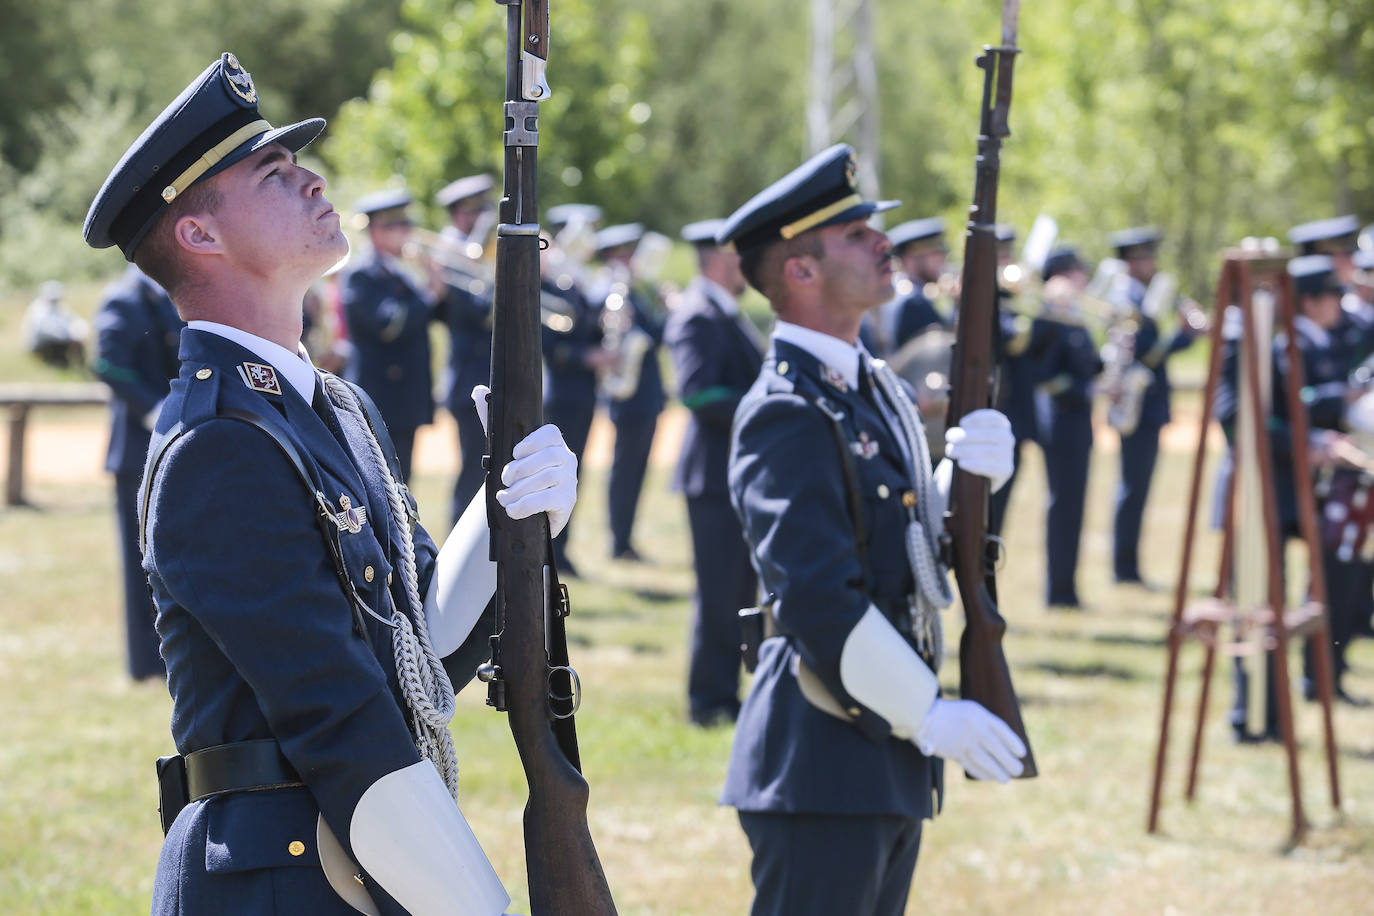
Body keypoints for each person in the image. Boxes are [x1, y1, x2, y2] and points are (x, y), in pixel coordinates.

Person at [82, 52, 580, 914]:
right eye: (274, 172)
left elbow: (417, 650)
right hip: (277, 884)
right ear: (200, 235)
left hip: (353, 861)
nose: (313, 180)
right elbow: (341, 718)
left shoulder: (326, 407)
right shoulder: (218, 446)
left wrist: (513, 520)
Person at [718, 144, 1025, 916]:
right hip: (822, 763)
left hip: (876, 758)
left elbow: (900, 537)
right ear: (801, 270)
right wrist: (926, 712)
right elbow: (820, 598)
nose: (884, 244)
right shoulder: (787, 412)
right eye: (857, 234)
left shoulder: (863, 389)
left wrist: (968, 479)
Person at [664, 218, 765, 726]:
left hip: (731, 474)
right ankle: (709, 701)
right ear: (722, 258)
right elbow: (697, 392)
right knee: (719, 593)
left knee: (738, 592)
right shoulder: (698, 314)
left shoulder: (724, 313)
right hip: (711, 478)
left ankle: (727, 694)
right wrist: (766, 402)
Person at [90, 265, 184, 681]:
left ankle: (167, 658)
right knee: (138, 565)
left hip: (167, 446)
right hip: (135, 449)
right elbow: (107, 365)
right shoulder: (123, 298)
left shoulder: (167, 293)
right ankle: (144, 665)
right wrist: (154, 408)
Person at [1104, 227, 1201, 586]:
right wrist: (1183, 334)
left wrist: (1186, 334)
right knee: (1133, 486)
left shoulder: (1144, 296)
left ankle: (1128, 566)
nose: (1152, 264)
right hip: (1136, 403)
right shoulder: (1125, 299)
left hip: (1148, 402)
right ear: (1130, 262)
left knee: (1139, 486)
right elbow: (1147, 352)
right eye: (1145, 257)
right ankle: (1124, 568)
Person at [339, 189, 438, 480]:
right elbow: (389, 324)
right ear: (375, 231)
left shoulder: (402, 273)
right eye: (396, 226)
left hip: (403, 397)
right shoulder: (362, 274)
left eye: (406, 224)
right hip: (381, 396)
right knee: (384, 483)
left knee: (403, 482)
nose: (406, 233)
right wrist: (429, 294)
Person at [541, 206, 614, 575]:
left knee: (576, 471)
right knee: (556, 473)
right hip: (561, 392)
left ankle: (563, 548)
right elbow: (551, 348)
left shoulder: (579, 283)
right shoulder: (551, 285)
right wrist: (591, 356)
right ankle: (550, 549)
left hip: (583, 393)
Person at [591, 223, 667, 561]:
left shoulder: (635, 291)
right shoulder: (607, 293)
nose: (631, 259)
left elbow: (654, 335)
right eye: (624, 253)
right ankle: (618, 540)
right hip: (628, 396)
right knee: (625, 469)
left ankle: (625, 538)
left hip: (645, 393)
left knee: (636, 469)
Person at [1033, 248, 1102, 608]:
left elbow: (1087, 365)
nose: (1084, 280)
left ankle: (1067, 588)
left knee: (1074, 507)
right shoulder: (1052, 315)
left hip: (1077, 420)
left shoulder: (1073, 314)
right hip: (1060, 421)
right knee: (1065, 506)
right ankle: (1059, 591)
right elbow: (1044, 374)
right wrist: (1087, 389)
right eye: (1078, 272)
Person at [432, 174, 497, 524]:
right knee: (473, 473)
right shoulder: (450, 255)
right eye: (475, 212)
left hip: (485, 375)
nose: (482, 219)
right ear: (458, 215)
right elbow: (477, 312)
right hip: (468, 380)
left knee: (490, 473)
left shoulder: (480, 257)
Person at [862, 217, 952, 357]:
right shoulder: (914, 303)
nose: (942, 260)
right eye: (934, 254)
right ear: (911, 258)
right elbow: (935, 355)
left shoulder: (898, 291)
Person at [23, 280, 90, 369]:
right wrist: (67, 337)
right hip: (42, 345)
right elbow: (46, 330)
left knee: (76, 344)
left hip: (58, 340)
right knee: (60, 347)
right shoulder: (39, 309)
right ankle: (61, 366)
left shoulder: (60, 307)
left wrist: (79, 333)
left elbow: (73, 321)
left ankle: (81, 367)